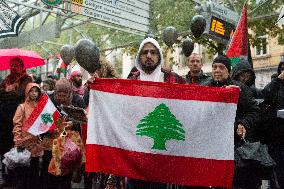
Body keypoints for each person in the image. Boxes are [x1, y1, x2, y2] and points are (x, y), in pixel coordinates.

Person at [202, 54, 260, 189]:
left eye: (221, 67)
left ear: (228, 71)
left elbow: (254, 110)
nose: (217, 70)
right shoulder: (204, 88)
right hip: (209, 145)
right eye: (214, 67)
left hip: (232, 145)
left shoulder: (240, 89)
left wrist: (243, 123)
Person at [40, 78, 85, 189]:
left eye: (64, 95)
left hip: (68, 145)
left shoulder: (77, 100)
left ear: (69, 93)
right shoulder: (48, 100)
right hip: (50, 143)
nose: (61, 98)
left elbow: (84, 121)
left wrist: (73, 123)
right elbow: (42, 120)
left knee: (65, 173)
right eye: (58, 95)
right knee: (49, 173)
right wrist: (50, 126)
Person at [0, 57, 32, 187]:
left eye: (16, 65)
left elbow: (19, 95)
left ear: (22, 66)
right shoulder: (7, 79)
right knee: (4, 147)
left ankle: (19, 178)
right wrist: (7, 90)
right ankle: (6, 176)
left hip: (19, 119)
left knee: (18, 147)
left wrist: (8, 92)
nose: (13, 67)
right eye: (11, 65)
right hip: (4, 120)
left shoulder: (27, 79)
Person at [12, 83, 43, 189]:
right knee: (23, 172)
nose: (34, 93)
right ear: (27, 92)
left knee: (34, 170)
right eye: (32, 91)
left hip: (36, 144)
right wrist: (18, 141)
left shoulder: (40, 107)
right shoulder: (22, 107)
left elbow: (44, 122)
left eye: (36, 91)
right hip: (24, 144)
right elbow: (17, 125)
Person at [262, 59, 284, 188]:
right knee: (277, 174)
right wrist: (278, 79)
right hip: (277, 138)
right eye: (282, 68)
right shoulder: (276, 85)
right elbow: (266, 94)